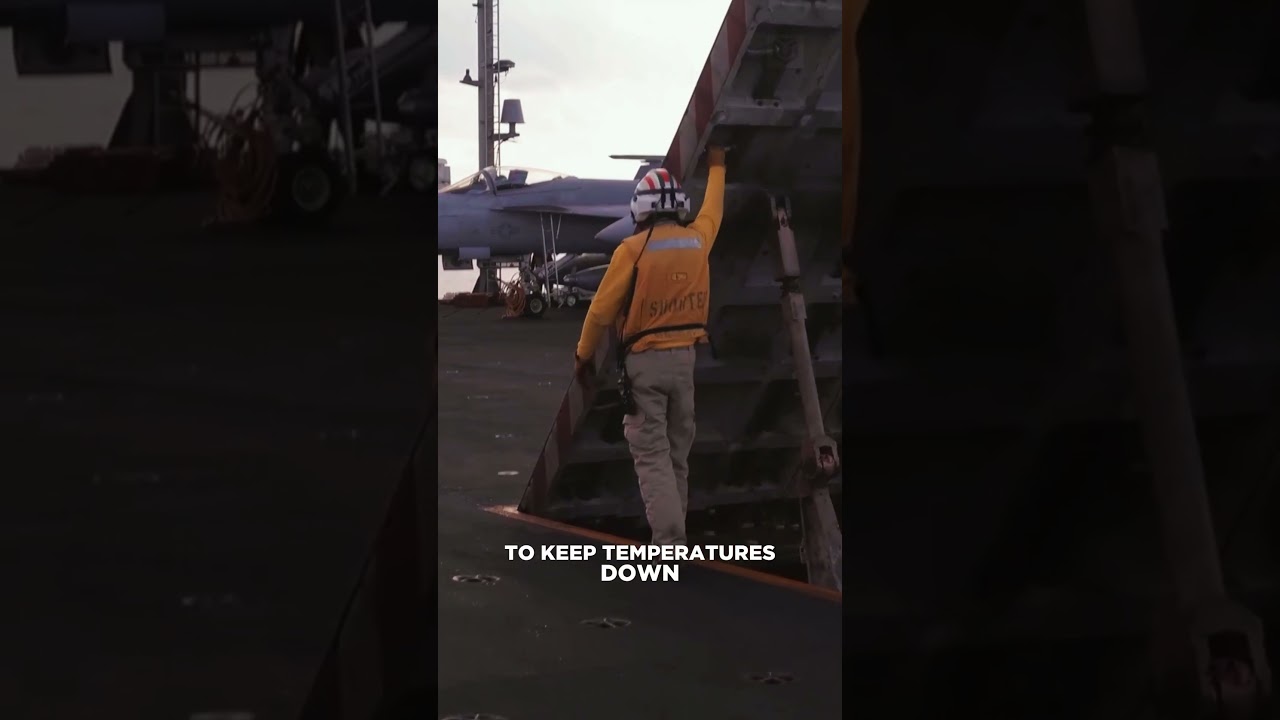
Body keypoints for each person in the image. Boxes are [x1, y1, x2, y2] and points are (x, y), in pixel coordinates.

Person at [572, 147, 727, 545]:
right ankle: (677, 540)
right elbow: (713, 212)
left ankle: (669, 541)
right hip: (686, 363)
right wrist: (717, 166)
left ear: (640, 209)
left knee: (652, 455)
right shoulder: (697, 241)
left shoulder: (631, 250)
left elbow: (600, 313)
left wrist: (582, 358)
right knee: (677, 456)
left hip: (646, 366)